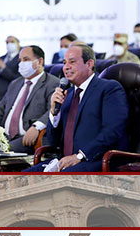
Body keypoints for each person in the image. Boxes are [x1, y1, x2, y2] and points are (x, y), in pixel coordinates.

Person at [26, 43, 129, 172]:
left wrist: (79, 156)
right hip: (64, 161)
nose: (66, 67)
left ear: (89, 64)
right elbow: (53, 142)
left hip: (96, 160)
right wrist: (54, 112)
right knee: (23, 177)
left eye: (72, 62)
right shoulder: (67, 95)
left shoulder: (109, 88)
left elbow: (112, 132)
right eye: (64, 63)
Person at [0, 45, 59, 154]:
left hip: (26, 136)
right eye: (20, 60)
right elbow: (0, 110)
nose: (21, 64)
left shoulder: (52, 83)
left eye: (26, 60)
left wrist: (37, 127)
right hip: (4, 135)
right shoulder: (15, 83)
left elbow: (54, 110)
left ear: (39, 61)